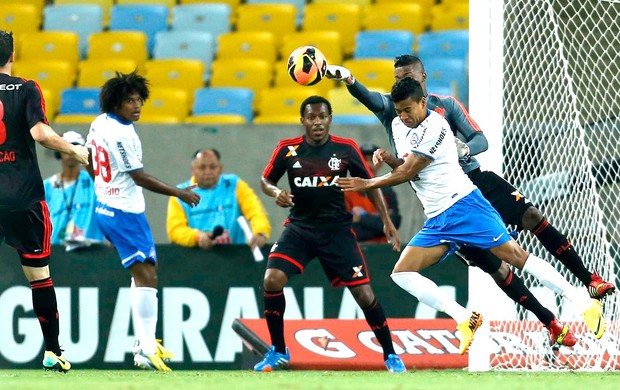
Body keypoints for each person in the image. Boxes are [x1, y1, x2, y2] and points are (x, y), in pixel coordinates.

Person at [337, 78, 604, 350]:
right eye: (399, 110)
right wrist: (391, 160)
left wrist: (367, 183)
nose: (403, 116)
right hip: (438, 219)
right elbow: (408, 167)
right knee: (402, 273)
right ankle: (465, 317)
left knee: (515, 257)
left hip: (465, 206)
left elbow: (409, 171)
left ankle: (582, 301)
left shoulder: (437, 126)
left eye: (408, 109)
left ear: (422, 102)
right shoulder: (397, 125)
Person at [256, 95, 406, 372]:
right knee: (272, 279)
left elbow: (370, 185)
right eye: (311, 117)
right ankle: (278, 351)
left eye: (322, 116)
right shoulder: (287, 150)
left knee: (364, 295)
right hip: (299, 229)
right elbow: (266, 180)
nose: (317, 122)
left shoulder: (345, 149)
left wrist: (387, 222)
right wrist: (276, 192)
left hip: (337, 231)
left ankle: (390, 355)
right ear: (303, 120)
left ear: (329, 119)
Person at [86, 71, 200, 372]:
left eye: (139, 99)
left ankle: (142, 342)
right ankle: (147, 348)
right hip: (123, 212)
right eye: (129, 101)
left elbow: (88, 159)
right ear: (115, 103)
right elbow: (138, 176)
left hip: (112, 206)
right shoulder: (121, 133)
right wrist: (178, 192)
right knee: (148, 275)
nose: (136, 106)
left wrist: (101, 189)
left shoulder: (99, 124)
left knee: (143, 272)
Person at [0, 30, 90, 372]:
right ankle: (53, 351)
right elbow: (41, 134)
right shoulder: (25, 88)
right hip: (23, 196)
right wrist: (75, 149)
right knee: (39, 276)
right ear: (12, 57)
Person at [167, 148, 271, 251]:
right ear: (193, 169)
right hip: (197, 260)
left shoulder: (234, 185)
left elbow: (256, 212)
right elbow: (175, 230)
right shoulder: (180, 194)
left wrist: (260, 232)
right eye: (202, 167)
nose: (208, 172)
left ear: (220, 168)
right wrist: (197, 237)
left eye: (212, 167)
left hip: (236, 257)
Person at [43, 131, 104, 251]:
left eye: (76, 147)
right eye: (67, 147)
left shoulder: (94, 181)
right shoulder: (47, 187)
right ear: (59, 152)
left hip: (91, 251)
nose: (71, 153)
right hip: (56, 251)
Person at [344, 143, 401, 243]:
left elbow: (394, 223)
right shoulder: (346, 191)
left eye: (372, 160)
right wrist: (379, 222)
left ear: (380, 163)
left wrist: (360, 218)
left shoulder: (387, 192)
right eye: (364, 160)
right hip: (354, 248)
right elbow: (344, 227)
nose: (369, 165)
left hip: (380, 249)